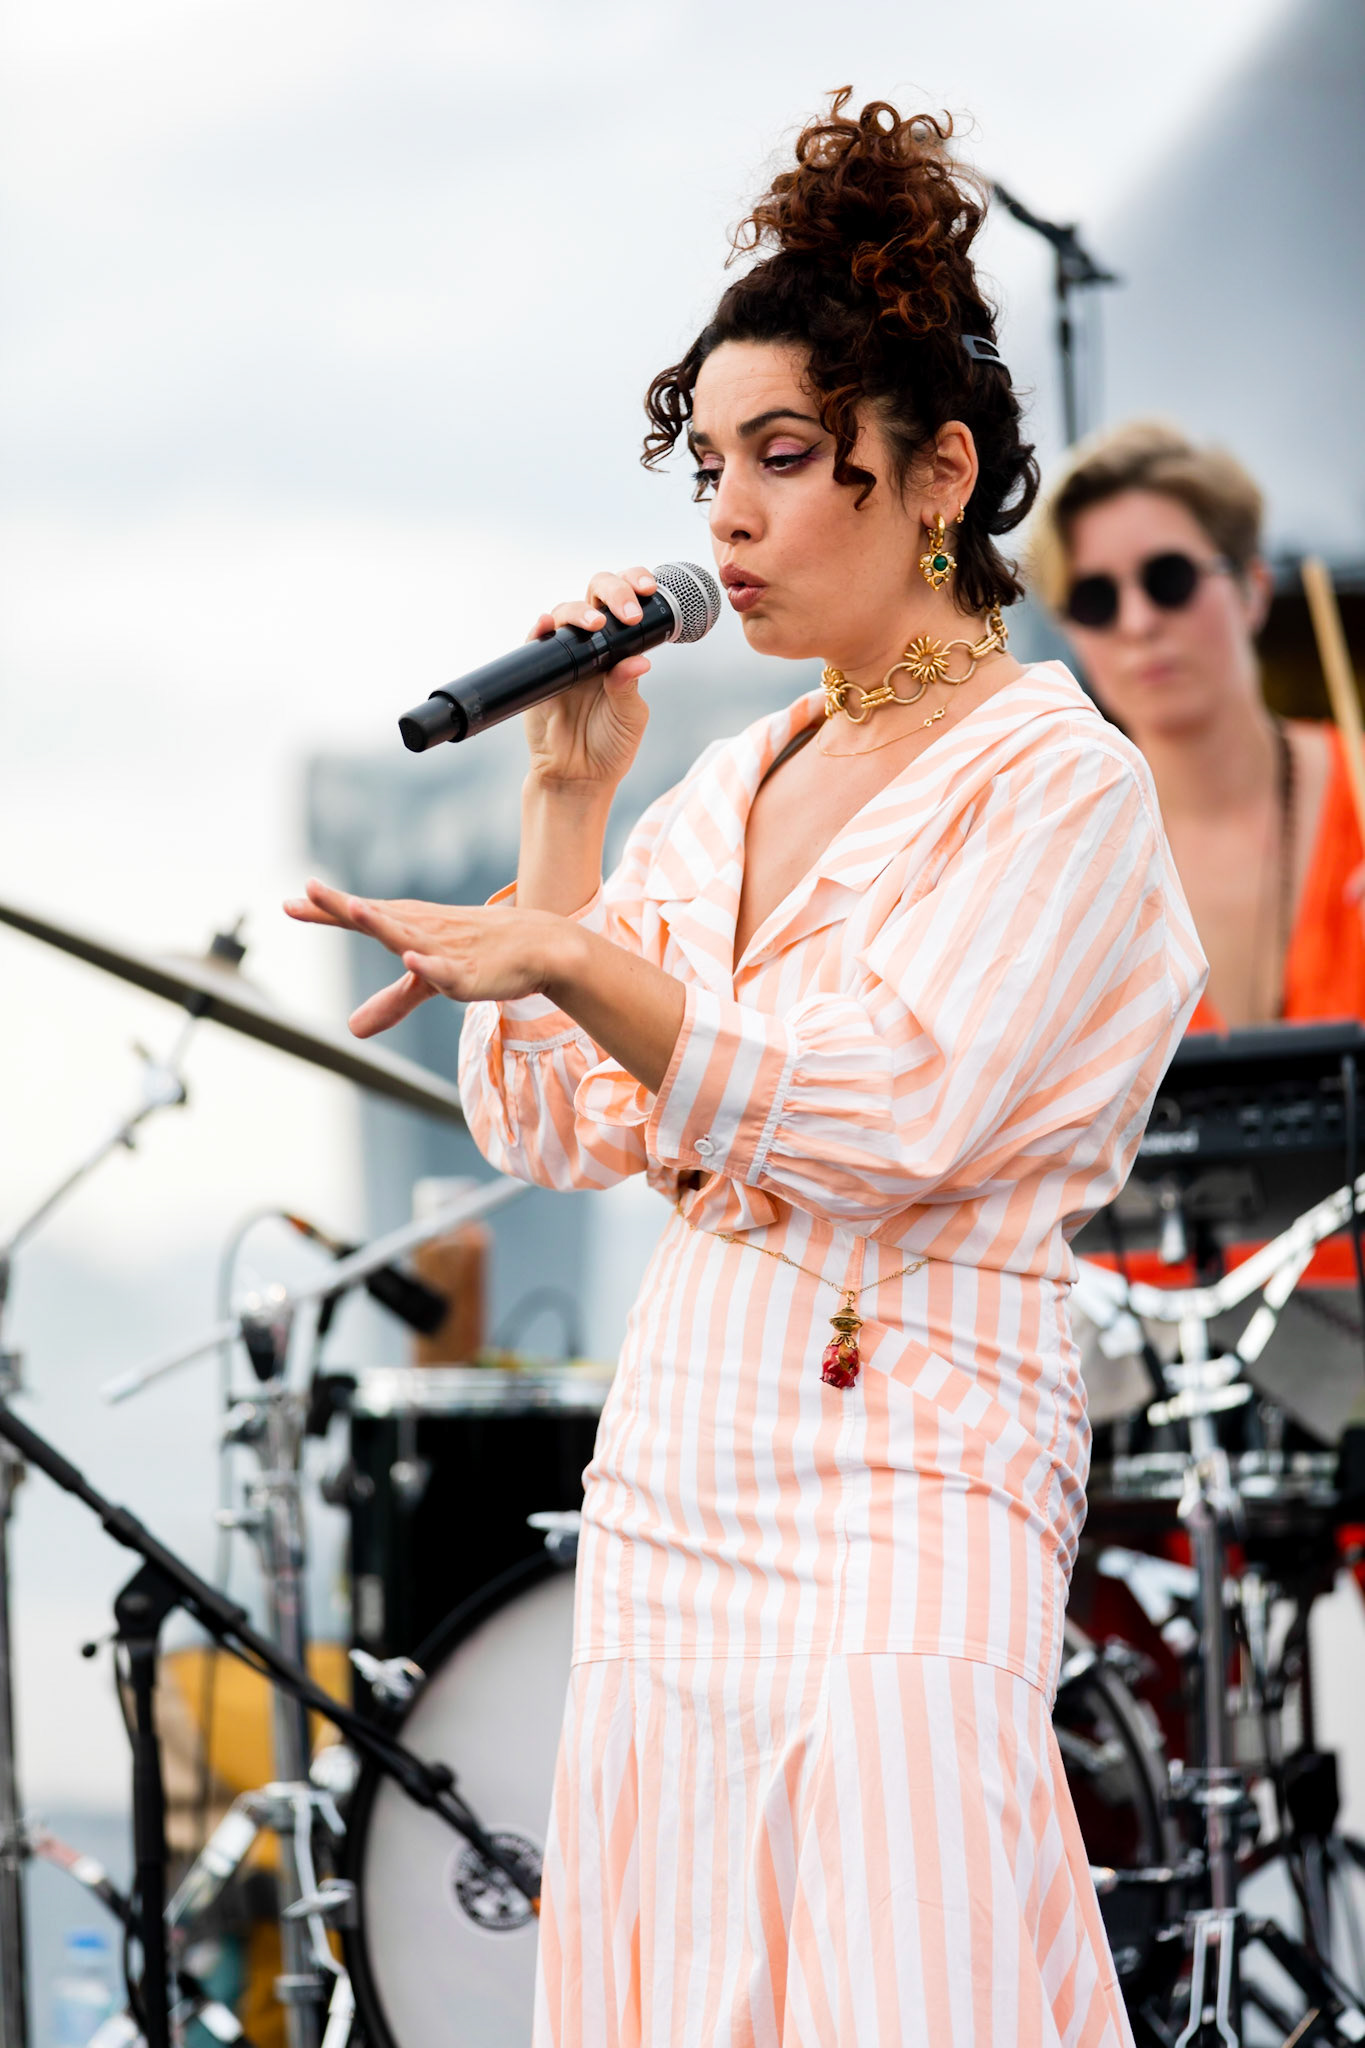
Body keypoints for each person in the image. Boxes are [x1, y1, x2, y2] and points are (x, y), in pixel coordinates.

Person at [287, 94, 1205, 2047]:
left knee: (905, 1960)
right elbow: (552, 1119)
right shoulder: (722, 786)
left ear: (936, 472)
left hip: (907, 1458)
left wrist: (567, 958)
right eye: (707, 464)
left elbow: (893, 1108)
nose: (724, 514)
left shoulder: (1055, 781)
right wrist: (565, 811)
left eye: (781, 457)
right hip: (680, 1470)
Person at [1031, 420, 1365, 1031]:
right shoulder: (1052, 863)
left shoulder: (1359, 788)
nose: (1137, 622)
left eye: (1170, 579)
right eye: (1096, 599)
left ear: (1252, 591)